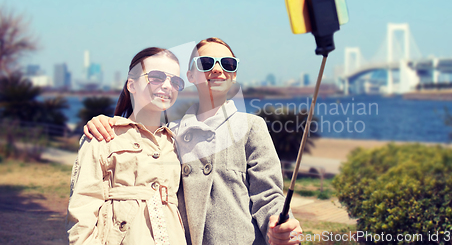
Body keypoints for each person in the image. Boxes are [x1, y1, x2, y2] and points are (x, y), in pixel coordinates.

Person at [84, 38, 302, 245]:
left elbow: (268, 194)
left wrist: (279, 225)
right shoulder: (169, 135)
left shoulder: (251, 126)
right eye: (206, 63)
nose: (217, 69)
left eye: (227, 63)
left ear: (234, 74)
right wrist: (106, 123)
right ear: (190, 76)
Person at [67, 47, 187, 245]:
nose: (167, 86)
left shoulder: (177, 143)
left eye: (175, 81)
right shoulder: (103, 136)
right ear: (131, 84)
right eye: (156, 77)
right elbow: (83, 209)